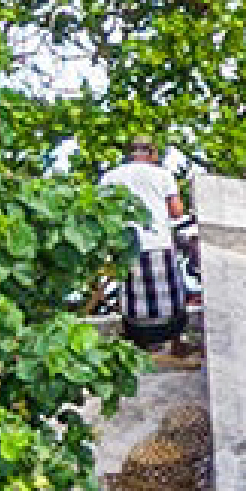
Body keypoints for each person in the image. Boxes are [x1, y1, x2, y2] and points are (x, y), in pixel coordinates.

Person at [100, 138, 191, 353]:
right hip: (158, 243)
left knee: (134, 300)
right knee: (169, 300)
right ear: (152, 154)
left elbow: (103, 211)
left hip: (126, 246)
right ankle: (174, 341)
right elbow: (177, 211)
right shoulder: (162, 175)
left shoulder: (110, 177)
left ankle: (140, 344)